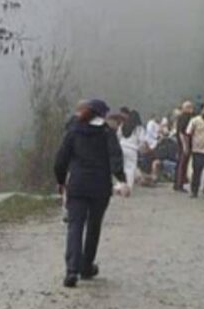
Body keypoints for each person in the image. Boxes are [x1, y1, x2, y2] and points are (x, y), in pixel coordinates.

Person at [54, 99, 129, 288]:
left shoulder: (73, 131)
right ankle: (86, 266)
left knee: (75, 226)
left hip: (77, 184)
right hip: (100, 186)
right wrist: (122, 179)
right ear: (102, 114)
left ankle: (71, 270)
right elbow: (115, 157)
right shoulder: (106, 133)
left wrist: (61, 181)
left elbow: (61, 159)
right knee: (94, 226)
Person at [118, 110, 146, 190]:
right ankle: (128, 188)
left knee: (122, 168)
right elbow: (142, 141)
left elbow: (118, 136)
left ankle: (120, 186)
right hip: (132, 150)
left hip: (122, 147)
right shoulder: (139, 128)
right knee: (130, 169)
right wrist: (140, 149)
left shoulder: (123, 125)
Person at [174, 101, 195, 192]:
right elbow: (182, 133)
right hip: (184, 145)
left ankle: (178, 183)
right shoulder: (185, 118)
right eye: (189, 107)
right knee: (182, 165)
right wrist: (185, 146)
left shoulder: (181, 118)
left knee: (181, 164)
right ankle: (179, 184)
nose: (191, 109)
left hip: (182, 144)